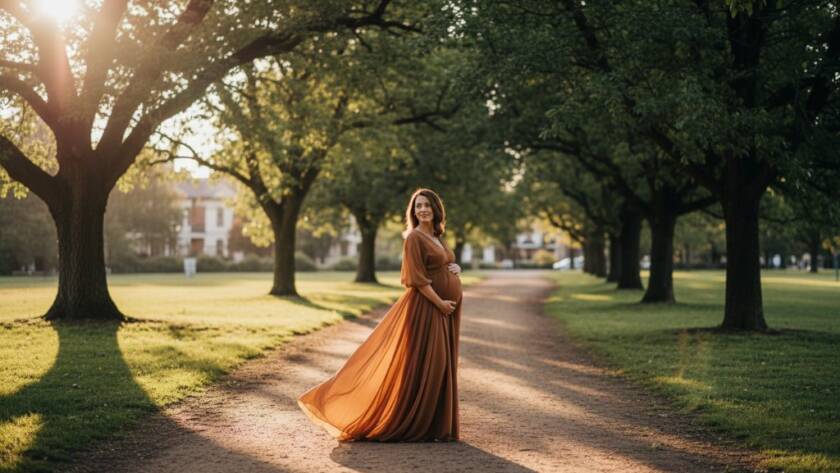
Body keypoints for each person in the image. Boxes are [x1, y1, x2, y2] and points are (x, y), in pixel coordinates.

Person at [297, 188, 463, 442]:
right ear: (413, 211)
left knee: (439, 366)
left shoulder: (437, 236)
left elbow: (442, 263)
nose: (422, 210)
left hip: (444, 310)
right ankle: (413, 422)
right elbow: (416, 280)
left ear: (436, 209)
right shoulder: (414, 238)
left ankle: (435, 425)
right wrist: (440, 303)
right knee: (430, 364)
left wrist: (455, 267)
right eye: (418, 206)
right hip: (427, 309)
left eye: (427, 205)